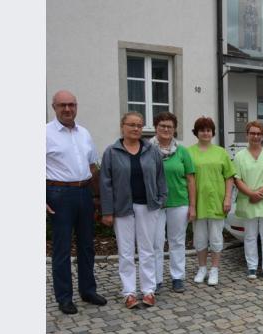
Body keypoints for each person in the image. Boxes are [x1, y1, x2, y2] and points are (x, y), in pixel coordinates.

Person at [46, 90, 108, 314]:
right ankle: (64, 297)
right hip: (59, 194)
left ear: (76, 106)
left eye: (71, 104)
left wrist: (97, 197)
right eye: (62, 105)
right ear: (54, 107)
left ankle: (88, 290)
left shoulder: (84, 133)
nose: (67, 109)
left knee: (87, 245)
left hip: (84, 193)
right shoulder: (45, 133)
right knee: (62, 248)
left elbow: (92, 167)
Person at [100, 112, 168, 309]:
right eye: (131, 125)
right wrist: (107, 211)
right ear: (122, 126)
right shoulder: (111, 152)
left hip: (148, 206)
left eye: (139, 125)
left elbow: (160, 177)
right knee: (126, 251)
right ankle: (129, 292)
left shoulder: (151, 150)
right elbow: (105, 184)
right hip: (122, 208)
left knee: (147, 250)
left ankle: (148, 290)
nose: (136, 128)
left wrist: (161, 198)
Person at [151, 112, 196, 293]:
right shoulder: (147, 149)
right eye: (162, 125)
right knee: (156, 243)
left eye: (169, 126)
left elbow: (191, 180)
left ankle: (178, 277)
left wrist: (192, 206)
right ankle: (156, 280)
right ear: (156, 127)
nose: (166, 129)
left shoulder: (182, 151)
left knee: (177, 241)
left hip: (179, 202)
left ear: (174, 129)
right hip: (155, 204)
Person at [187, 117, 235, 286]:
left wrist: (227, 198)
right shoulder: (189, 152)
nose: (205, 133)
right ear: (196, 132)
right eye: (202, 130)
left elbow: (229, 177)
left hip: (217, 201)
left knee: (215, 238)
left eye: (208, 130)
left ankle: (214, 269)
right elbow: (187, 178)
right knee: (199, 238)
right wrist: (191, 205)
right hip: (198, 202)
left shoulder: (221, 152)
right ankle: (202, 268)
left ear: (212, 133)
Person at [233, 121, 263, 281]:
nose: (255, 136)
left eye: (258, 133)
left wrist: (259, 193)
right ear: (247, 135)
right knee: (250, 236)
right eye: (252, 133)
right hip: (248, 201)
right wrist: (251, 194)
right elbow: (237, 179)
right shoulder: (240, 156)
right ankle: (252, 267)